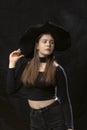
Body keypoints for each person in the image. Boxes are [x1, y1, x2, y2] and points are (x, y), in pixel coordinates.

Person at [6, 21, 74, 130]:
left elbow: (65, 100)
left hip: (55, 116)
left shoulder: (57, 69)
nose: (48, 44)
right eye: (45, 41)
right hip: (35, 118)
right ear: (37, 45)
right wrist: (12, 64)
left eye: (51, 42)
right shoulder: (25, 66)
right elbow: (10, 90)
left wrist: (70, 127)